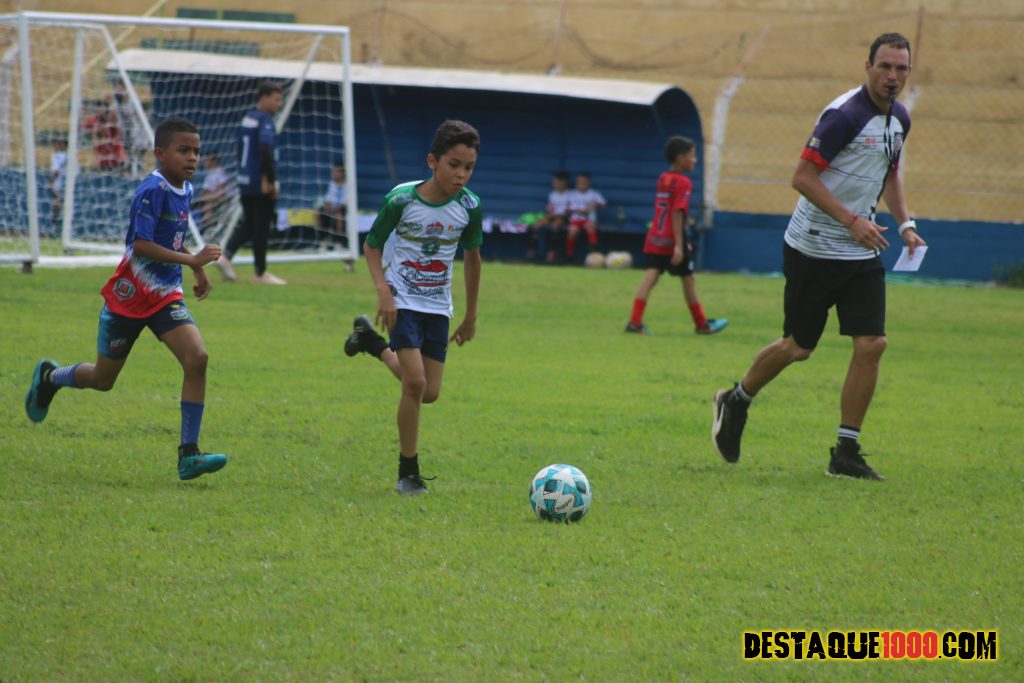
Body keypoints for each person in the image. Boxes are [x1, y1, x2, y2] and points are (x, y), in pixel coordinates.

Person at [712, 33, 927, 481]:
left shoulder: (899, 119)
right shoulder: (844, 116)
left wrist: (905, 224)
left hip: (861, 248)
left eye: (901, 68)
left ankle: (845, 452)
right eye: (884, 66)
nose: (892, 76)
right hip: (813, 247)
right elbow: (802, 177)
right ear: (867, 66)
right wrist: (851, 220)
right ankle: (736, 400)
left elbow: (889, 173)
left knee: (873, 343)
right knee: (798, 347)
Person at [24, 116, 229, 482]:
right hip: (129, 298)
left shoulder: (185, 189)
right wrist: (192, 261)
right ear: (159, 153)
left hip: (165, 297)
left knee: (197, 358)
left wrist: (196, 268)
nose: (192, 158)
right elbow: (142, 245)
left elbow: (172, 239)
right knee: (102, 379)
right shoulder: (151, 190)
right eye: (184, 150)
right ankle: (50, 377)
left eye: (196, 151)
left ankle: (189, 454)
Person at [343, 120, 483, 495]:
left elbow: (473, 259)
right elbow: (372, 245)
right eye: (454, 165)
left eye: (469, 167)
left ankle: (372, 342)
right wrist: (383, 293)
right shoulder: (402, 200)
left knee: (429, 391)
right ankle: (408, 472)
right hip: (401, 300)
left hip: (438, 306)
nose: (461, 175)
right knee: (416, 383)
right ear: (432, 161)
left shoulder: (469, 207)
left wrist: (470, 317)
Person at [625, 136, 728, 335]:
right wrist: (679, 245)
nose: (695, 160)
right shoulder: (683, 182)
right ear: (681, 158)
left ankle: (634, 322)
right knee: (688, 279)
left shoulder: (663, 178)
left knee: (651, 276)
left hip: (654, 237)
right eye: (692, 156)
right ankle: (702, 325)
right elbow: (677, 212)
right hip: (671, 239)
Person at [217, 80, 287, 285]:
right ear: (263, 98)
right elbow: (265, 150)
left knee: (249, 223)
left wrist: (244, 173)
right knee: (262, 226)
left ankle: (225, 257)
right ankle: (260, 273)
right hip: (260, 181)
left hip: (245, 179)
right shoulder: (265, 121)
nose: (279, 104)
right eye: (276, 100)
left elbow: (240, 149)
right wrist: (270, 180)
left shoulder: (247, 119)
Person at [528, 170, 571, 263]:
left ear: (564, 182)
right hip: (552, 216)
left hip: (564, 218)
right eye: (553, 182)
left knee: (556, 225)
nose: (554, 184)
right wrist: (546, 218)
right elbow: (549, 210)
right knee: (536, 224)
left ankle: (552, 253)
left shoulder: (570, 195)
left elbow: (568, 212)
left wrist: (556, 217)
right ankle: (533, 251)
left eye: (556, 182)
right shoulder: (552, 195)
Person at [565, 171, 606, 261]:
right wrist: (583, 211)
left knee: (590, 228)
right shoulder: (571, 194)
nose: (581, 184)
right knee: (572, 233)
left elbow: (604, 204)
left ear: (588, 183)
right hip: (575, 219)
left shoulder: (594, 193)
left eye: (584, 182)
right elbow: (569, 209)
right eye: (579, 182)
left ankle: (593, 254)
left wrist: (596, 204)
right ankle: (569, 255)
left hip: (588, 219)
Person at [81, 94, 127, 172]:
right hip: (102, 161)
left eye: (103, 110)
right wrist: (82, 113)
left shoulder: (111, 122)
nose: (101, 112)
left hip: (117, 160)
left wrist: (111, 104)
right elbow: (82, 125)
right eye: (98, 110)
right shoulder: (93, 120)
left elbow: (114, 117)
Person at [197, 150, 237, 237]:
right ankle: (205, 231)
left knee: (208, 204)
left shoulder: (220, 172)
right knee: (207, 205)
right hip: (214, 200)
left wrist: (209, 195)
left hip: (226, 200)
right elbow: (203, 193)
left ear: (214, 161)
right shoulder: (209, 175)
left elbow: (221, 190)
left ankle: (204, 232)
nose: (205, 162)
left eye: (207, 160)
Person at [316, 159, 347, 249]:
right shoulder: (332, 184)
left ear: (342, 173)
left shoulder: (348, 184)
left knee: (339, 216)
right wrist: (328, 206)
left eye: (335, 171)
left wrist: (335, 209)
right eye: (333, 171)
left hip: (341, 210)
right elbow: (328, 199)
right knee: (318, 213)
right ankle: (322, 241)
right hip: (332, 209)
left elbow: (345, 203)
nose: (333, 173)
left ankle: (339, 242)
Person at [49, 136, 68, 232]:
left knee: (56, 205)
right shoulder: (71, 156)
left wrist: (51, 181)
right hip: (68, 185)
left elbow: (56, 171)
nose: (54, 146)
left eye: (56, 143)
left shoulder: (57, 156)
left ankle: (55, 228)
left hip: (58, 186)